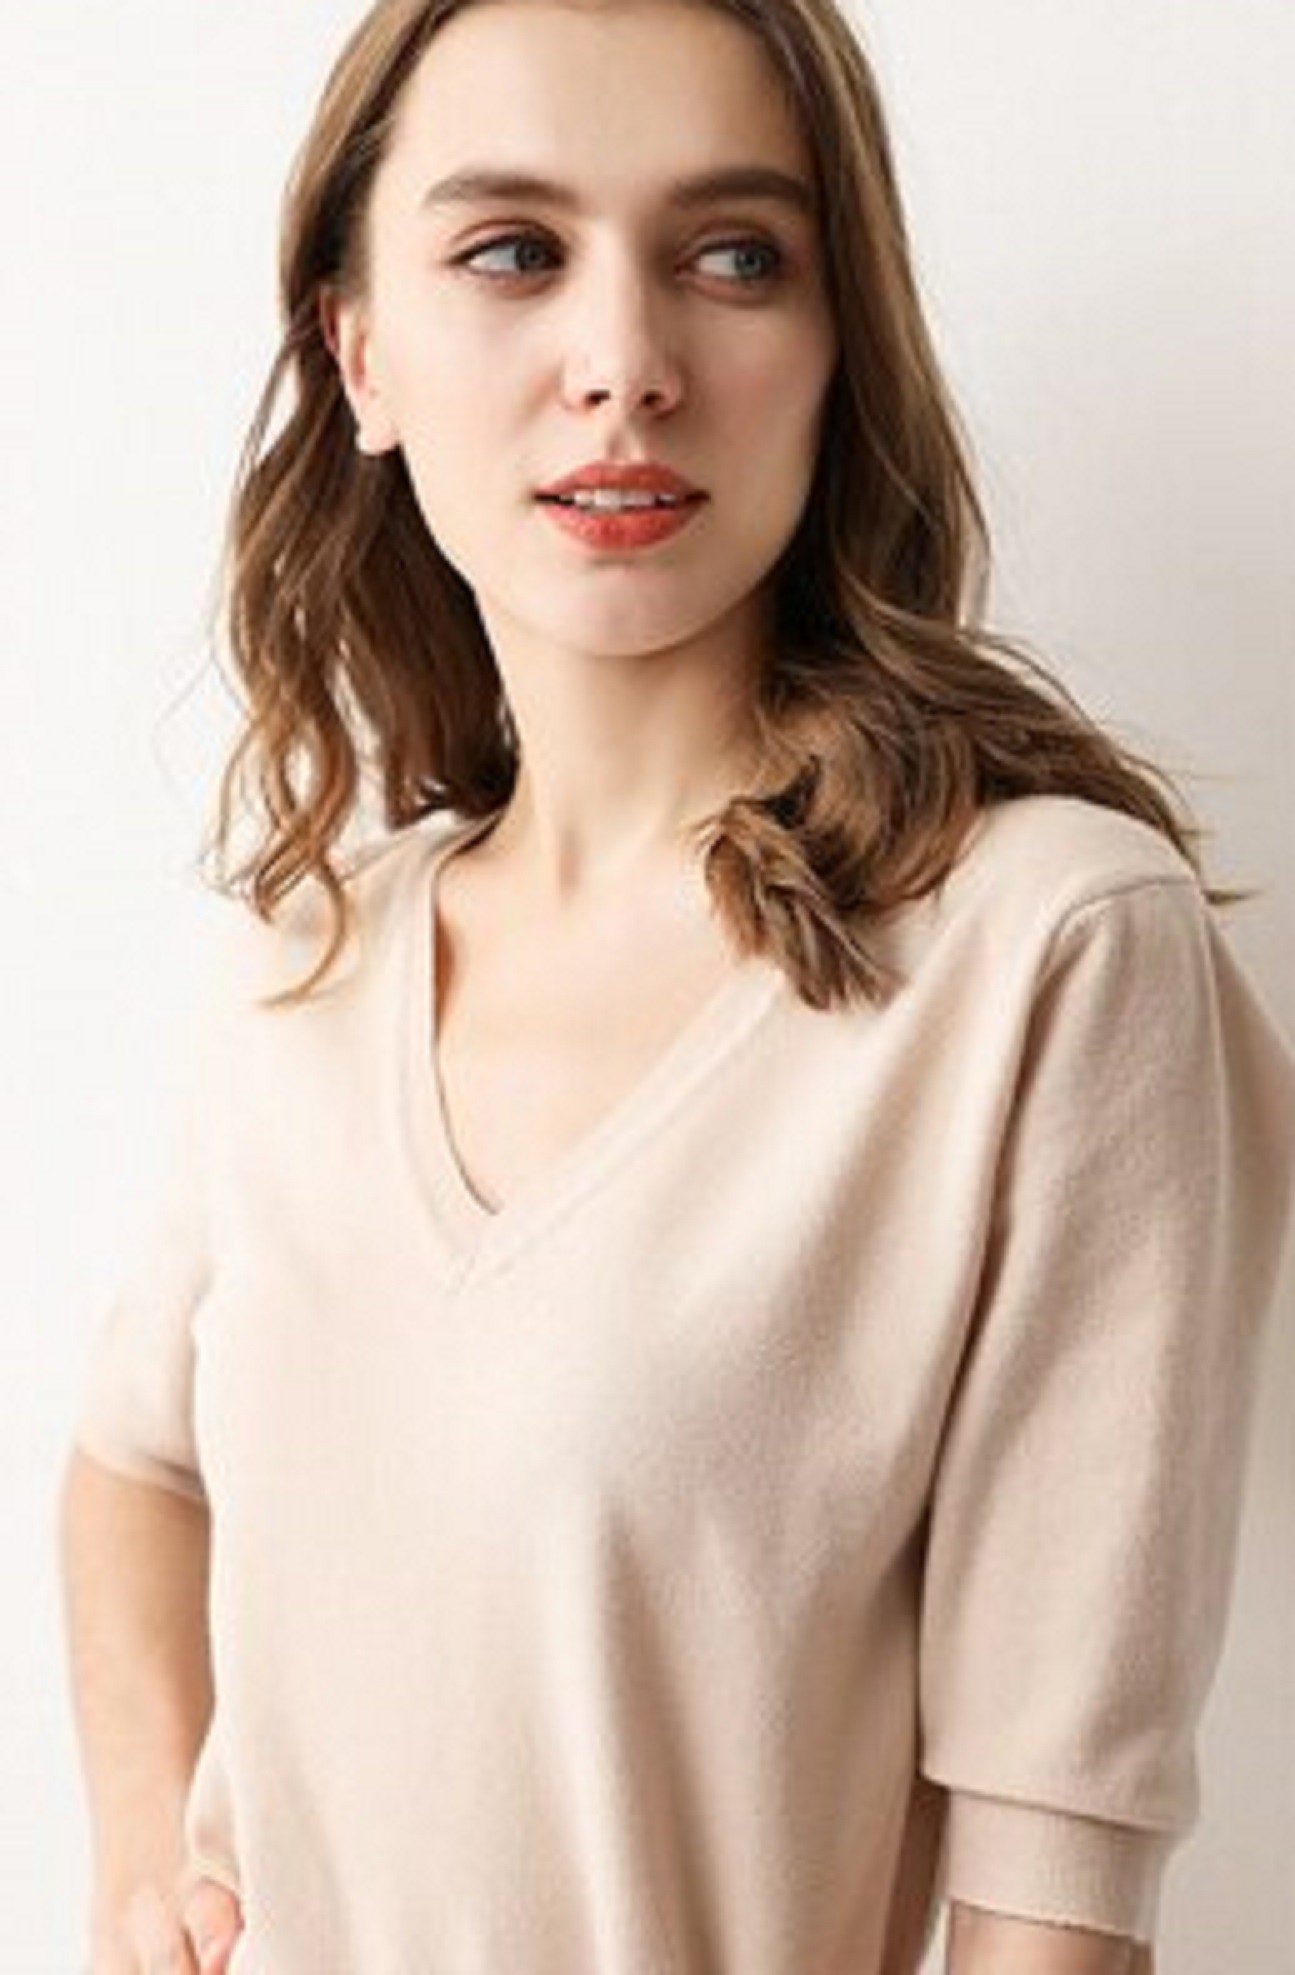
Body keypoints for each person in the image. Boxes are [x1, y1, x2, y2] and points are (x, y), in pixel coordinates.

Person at [58, 1, 1295, 1971]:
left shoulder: (1047, 952)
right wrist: (148, 1857)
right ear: (361, 354)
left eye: (733, 256)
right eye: (512, 251)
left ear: (837, 347)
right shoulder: (310, 959)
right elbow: (136, 1460)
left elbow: (1053, 1884)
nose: (625, 362)